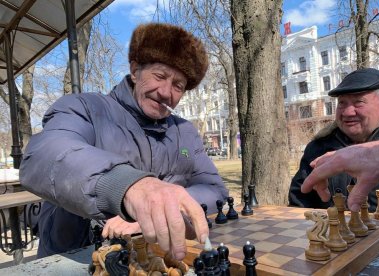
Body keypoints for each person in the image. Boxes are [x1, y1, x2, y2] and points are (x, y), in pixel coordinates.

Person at [19, 23, 229, 260]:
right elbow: (43, 155)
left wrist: (165, 208)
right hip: (75, 258)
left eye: (178, 85)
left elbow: (215, 190)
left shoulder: (185, 132)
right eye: (159, 76)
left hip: (151, 260)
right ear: (135, 70)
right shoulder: (86, 108)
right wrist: (127, 189)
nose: (165, 92)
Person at [289, 68, 379, 216]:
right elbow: (299, 203)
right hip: (336, 237)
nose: (347, 112)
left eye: (359, 102)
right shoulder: (319, 147)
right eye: (342, 103)